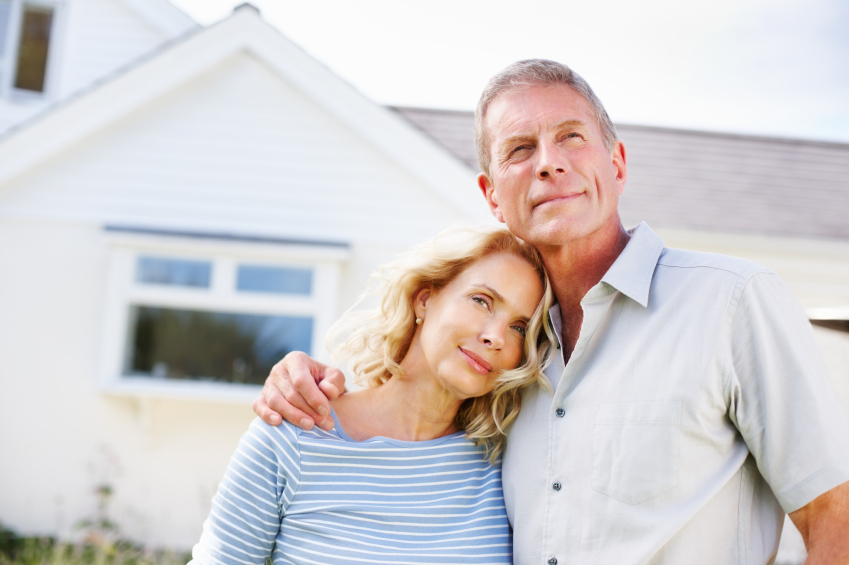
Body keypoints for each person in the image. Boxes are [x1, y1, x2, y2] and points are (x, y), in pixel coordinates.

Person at [253, 59, 849, 564]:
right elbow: (411, 416)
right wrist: (299, 379)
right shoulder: (507, 356)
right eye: (519, 149)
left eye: (571, 136)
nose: (548, 162)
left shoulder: (731, 301)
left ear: (615, 164)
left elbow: (834, 516)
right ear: (492, 196)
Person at [190, 227, 556, 564]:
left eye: (519, 328)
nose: (497, 336)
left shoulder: (504, 464)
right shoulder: (293, 434)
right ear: (424, 299)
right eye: (481, 300)